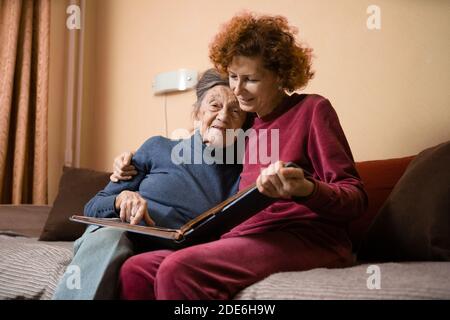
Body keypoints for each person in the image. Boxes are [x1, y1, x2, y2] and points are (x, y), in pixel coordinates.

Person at [117, 12, 368, 300]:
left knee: (178, 269)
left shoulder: (312, 111)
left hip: (307, 237)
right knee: (137, 269)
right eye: (234, 76)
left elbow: (355, 198)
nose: (237, 89)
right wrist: (134, 159)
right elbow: (200, 140)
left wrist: (306, 189)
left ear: (280, 75)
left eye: (250, 79)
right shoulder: (248, 125)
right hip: (245, 237)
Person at [52, 69, 248, 299]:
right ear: (197, 112)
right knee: (110, 237)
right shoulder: (158, 147)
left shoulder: (242, 172)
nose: (224, 116)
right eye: (215, 106)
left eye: (235, 111)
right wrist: (120, 198)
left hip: (172, 249)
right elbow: (92, 207)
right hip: (120, 233)